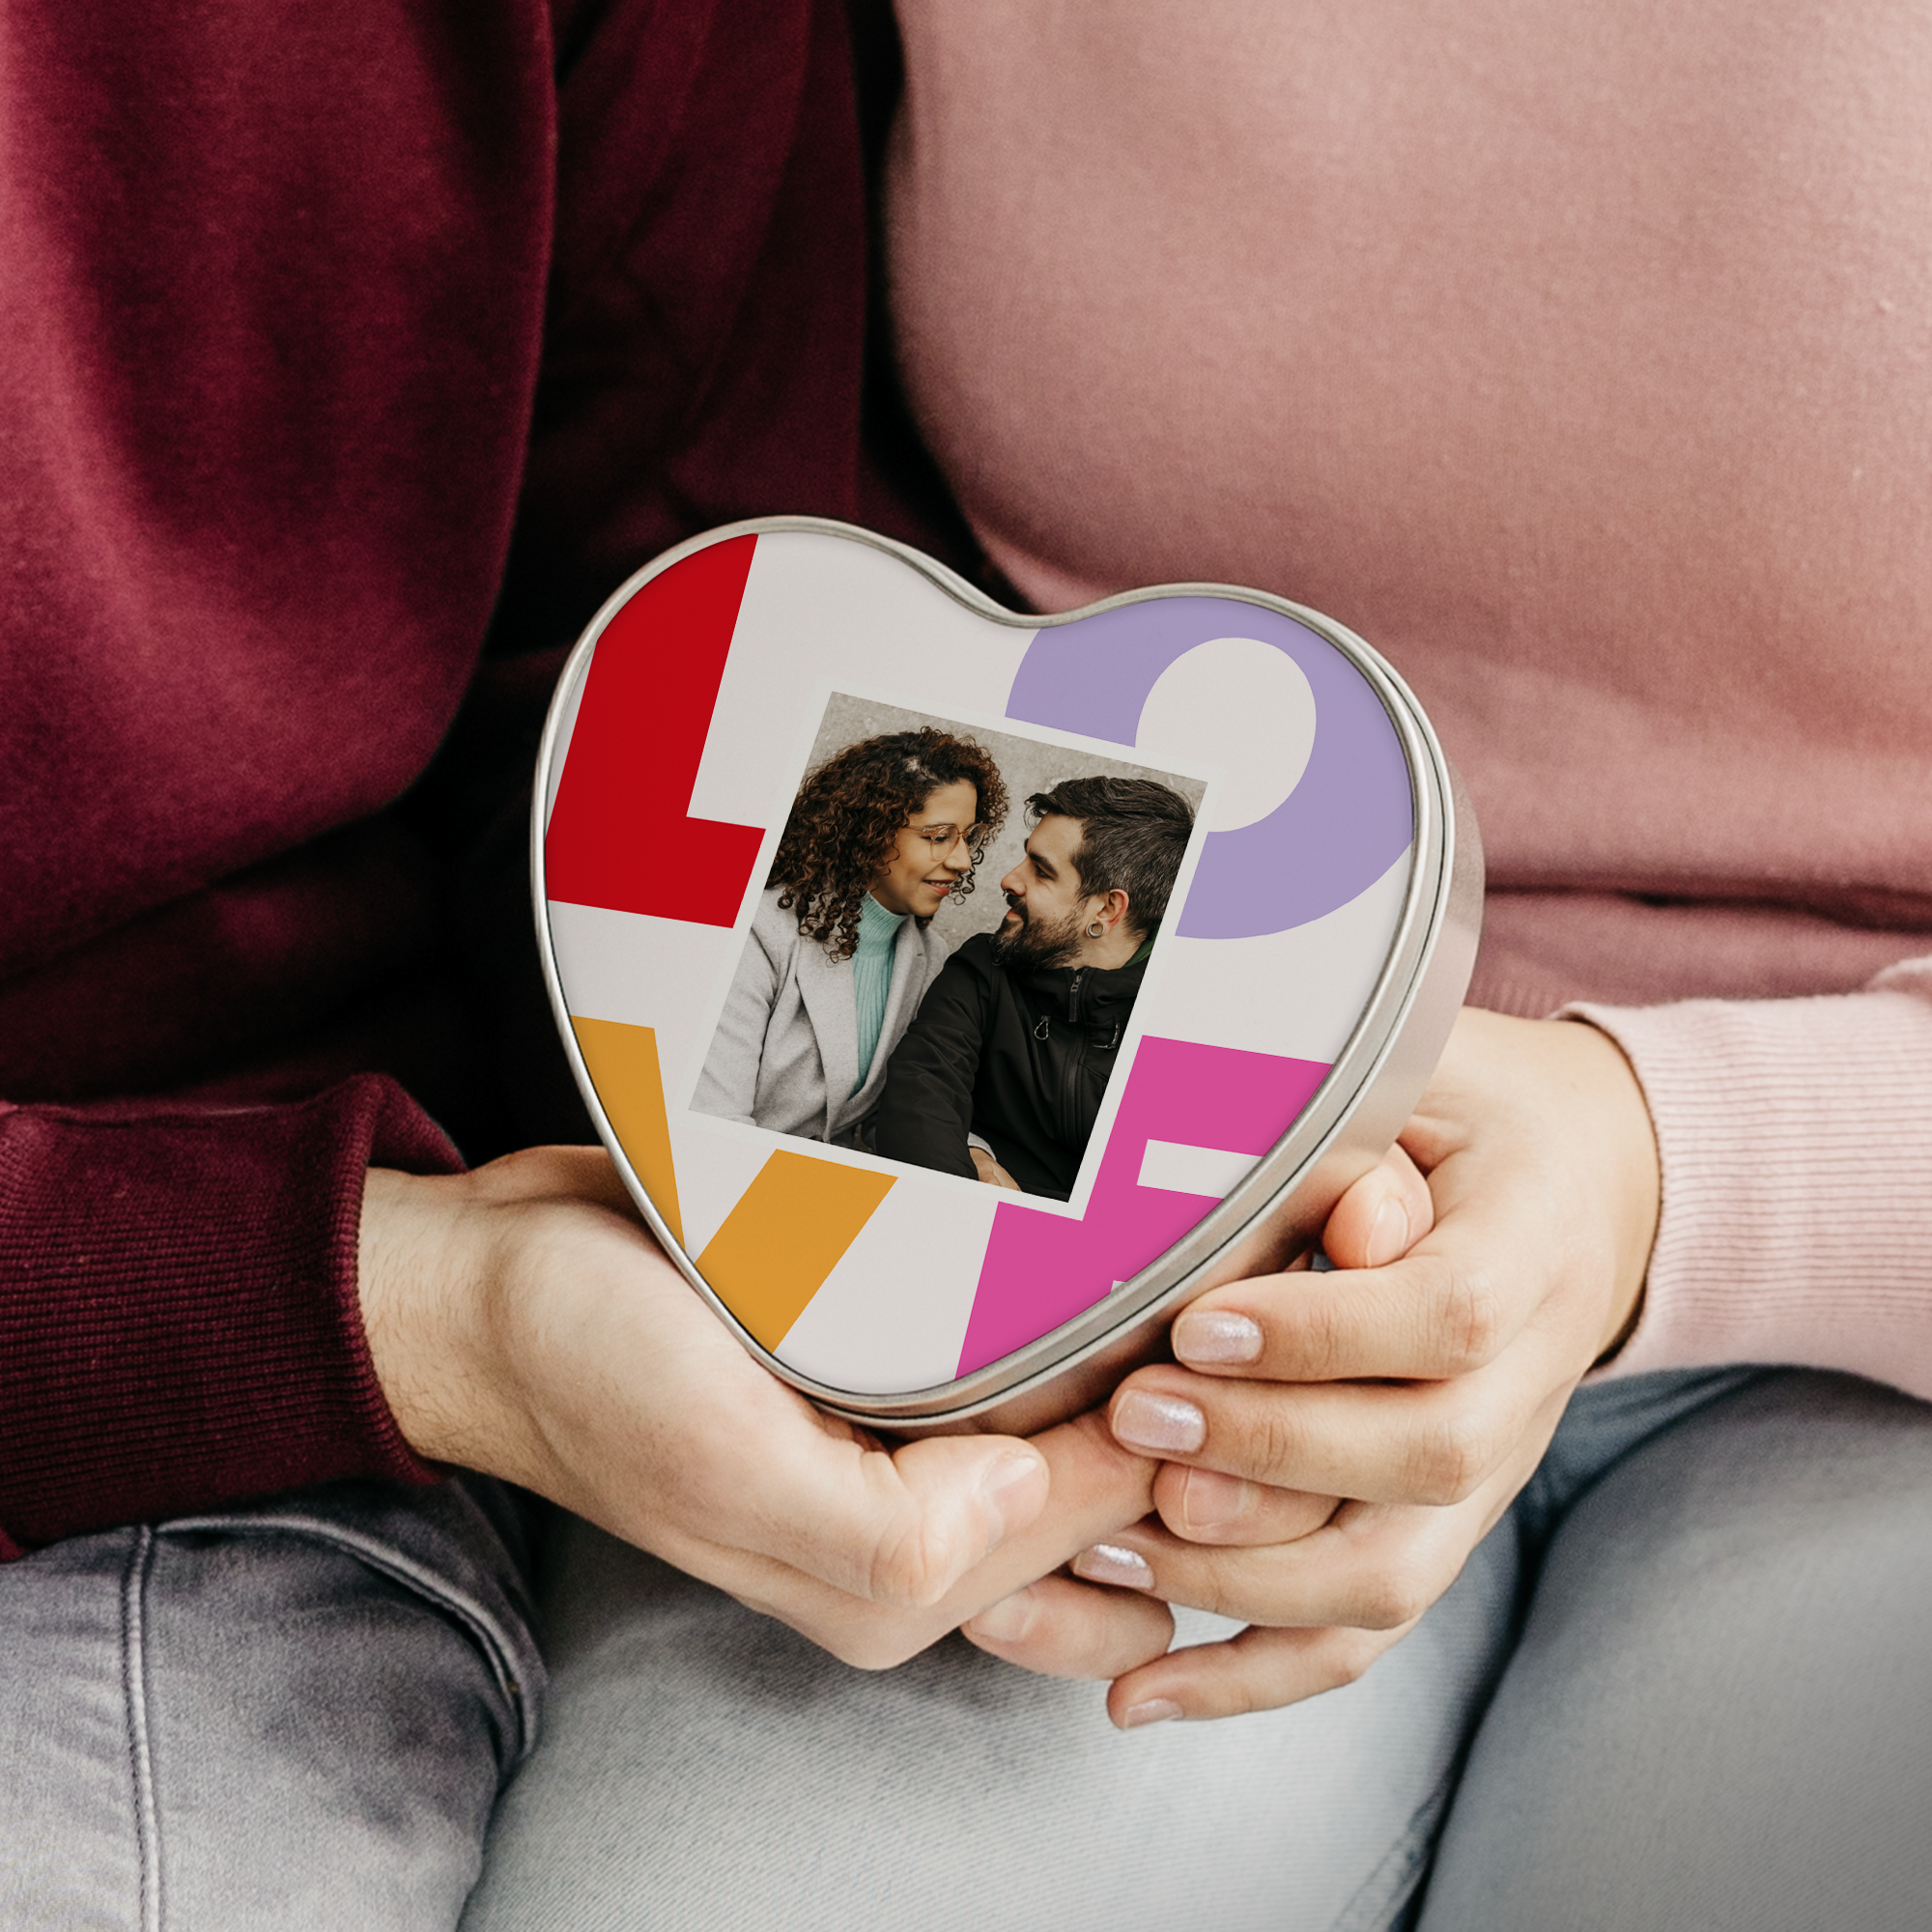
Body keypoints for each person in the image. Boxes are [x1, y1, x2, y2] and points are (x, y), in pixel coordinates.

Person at [7, 5, 1932, 1932]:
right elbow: (675, 637)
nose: (983, 881)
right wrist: (643, 1285)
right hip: (1073, 1337)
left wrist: (1680, 1159)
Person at [871, 776, 1193, 1196]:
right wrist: (972, 1163)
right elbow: (918, 1099)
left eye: (1042, 872)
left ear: (1107, 908)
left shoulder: (1180, 1028)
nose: (1008, 880)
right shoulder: (984, 967)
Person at [693, 727, 1007, 1146]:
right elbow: (714, 1119)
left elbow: (900, 1111)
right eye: (938, 837)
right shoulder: (758, 932)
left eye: (970, 836)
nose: (963, 860)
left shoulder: (931, 958)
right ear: (870, 832)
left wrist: (975, 1155)